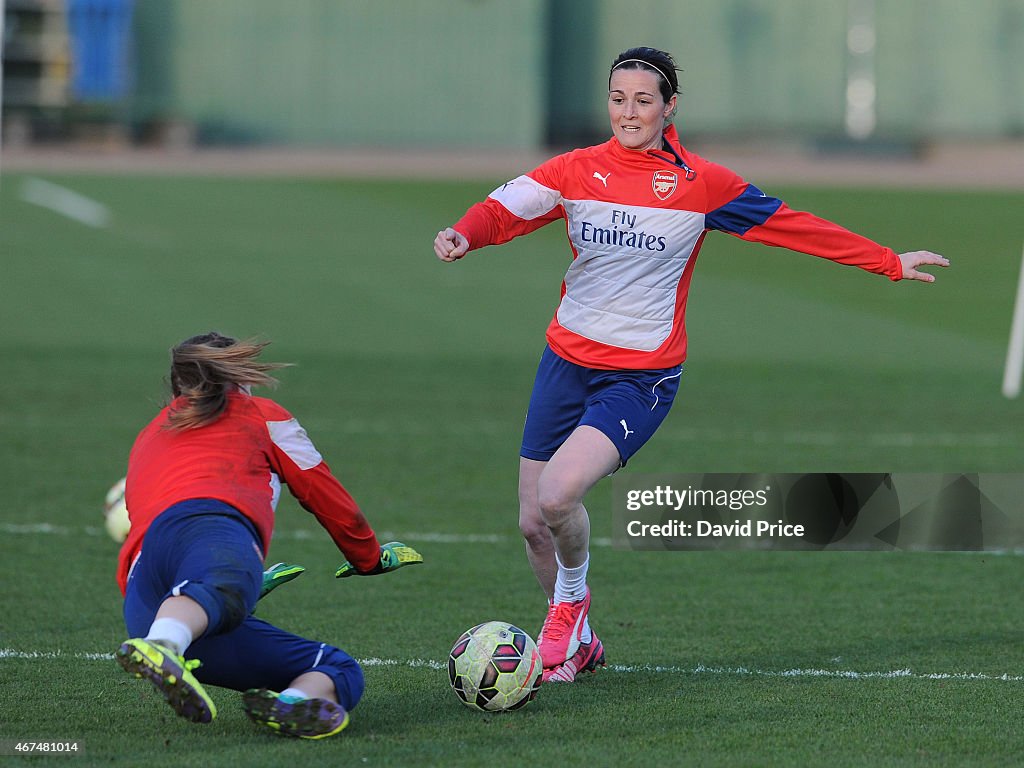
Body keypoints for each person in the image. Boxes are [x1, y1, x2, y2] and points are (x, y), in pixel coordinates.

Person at [433, 46, 948, 684]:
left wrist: (887, 260)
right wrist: (464, 232)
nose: (628, 112)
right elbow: (505, 206)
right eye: (618, 99)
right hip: (564, 361)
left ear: (669, 106)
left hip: (640, 377)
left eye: (643, 100)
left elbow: (793, 226)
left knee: (560, 494)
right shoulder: (576, 170)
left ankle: (569, 604)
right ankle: (585, 642)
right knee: (533, 523)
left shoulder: (702, 184)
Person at [114, 332, 422, 738]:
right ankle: (165, 647)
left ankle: (293, 702)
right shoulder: (262, 414)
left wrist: (236, 594)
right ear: (237, 377)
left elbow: (158, 540)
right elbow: (324, 493)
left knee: (335, 667)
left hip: (145, 600)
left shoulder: (149, 435)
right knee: (224, 585)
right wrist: (368, 557)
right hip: (211, 528)